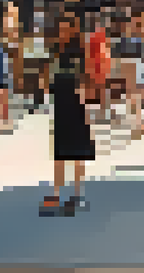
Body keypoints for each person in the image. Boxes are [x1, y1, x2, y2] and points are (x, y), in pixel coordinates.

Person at [41, 14, 93, 216]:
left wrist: (85, 95)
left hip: (76, 101)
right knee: (60, 149)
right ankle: (57, 193)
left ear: (72, 30)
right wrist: (45, 86)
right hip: (60, 101)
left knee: (78, 149)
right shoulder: (54, 50)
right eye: (60, 29)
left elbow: (86, 74)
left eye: (66, 29)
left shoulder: (79, 50)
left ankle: (78, 193)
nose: (62, 33)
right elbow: (48, 73)